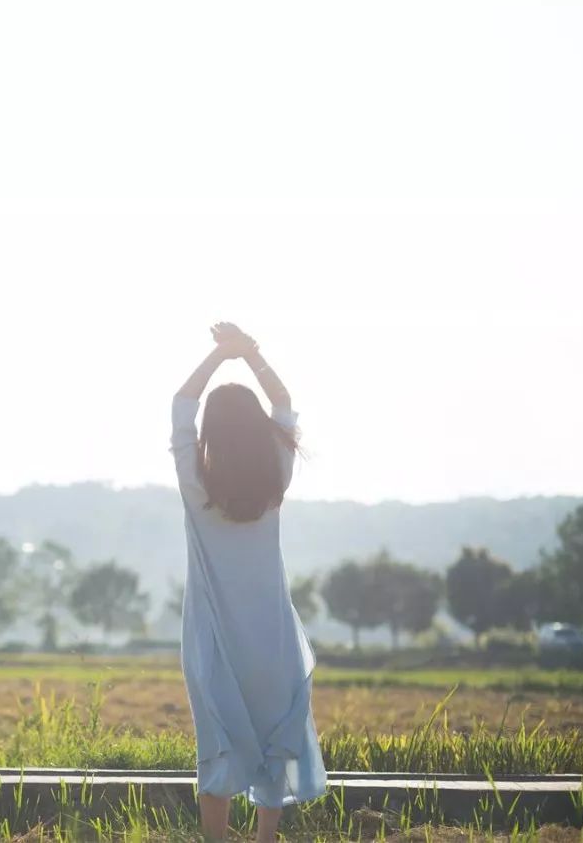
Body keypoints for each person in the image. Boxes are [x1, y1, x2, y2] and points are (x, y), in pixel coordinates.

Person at [170, 322, 327, 842]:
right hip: (272, 635)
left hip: (214, 639)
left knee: (218, 742)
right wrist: (250, 354)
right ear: (258, 431)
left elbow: (182, 402)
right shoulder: (275, 477)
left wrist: (221, 356)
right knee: (270, 738)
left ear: (211, 435)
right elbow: (282, 400)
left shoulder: (198, 487)